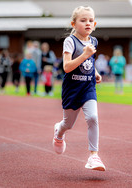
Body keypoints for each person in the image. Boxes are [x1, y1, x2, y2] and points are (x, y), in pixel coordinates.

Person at [52, 6, 106, 171]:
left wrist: (95, 72)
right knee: (68, 124)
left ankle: (93, 156)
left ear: (95, 24)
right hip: (72, 89)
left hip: (88, 87)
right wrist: (85, 54)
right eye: (83, 20)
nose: (87, 23)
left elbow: (89, 63)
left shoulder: (94, 41)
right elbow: (67, 67)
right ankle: (58, 133)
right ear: (74, 24)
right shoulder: (70, 41)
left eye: (90, 20)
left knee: (93, 118)